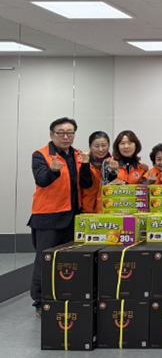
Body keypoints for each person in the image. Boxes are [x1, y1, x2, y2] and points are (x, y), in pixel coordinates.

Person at [28, 117, 93, 316]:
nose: (66, 136)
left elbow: (86, 184)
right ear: (52, 134)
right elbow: (41, 180)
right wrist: (53, 171)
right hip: (48, 217)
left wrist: (86, 165)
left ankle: (64, 296)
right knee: (45, 260)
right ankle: (40, 301)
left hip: (73, 217)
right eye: (61, 133)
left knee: (69, 261)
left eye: (70, 133)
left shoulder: (79, 155)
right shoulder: (40, 155)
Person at [80, 131, 110, 213]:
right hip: (88, 211)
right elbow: (85, 184)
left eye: (104, 145)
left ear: (109, 145)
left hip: (110, 209)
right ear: (90, 147)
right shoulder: (83, 163)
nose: (100, 149)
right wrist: (85, 163)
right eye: (96, 146)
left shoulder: (113, 164)